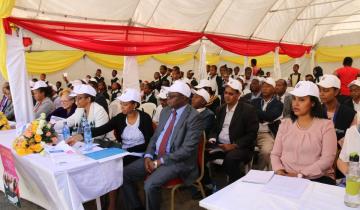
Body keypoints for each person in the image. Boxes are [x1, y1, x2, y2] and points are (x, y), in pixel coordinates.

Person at [122, 80, 203, 210]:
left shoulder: (194, 117)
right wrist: (148, 155)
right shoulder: (166, 111)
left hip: (177, 161)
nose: (168, 98)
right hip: (155, 156)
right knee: (124, 174)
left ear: (184, 98)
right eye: (168, 95)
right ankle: (136, 207)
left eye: (172, 96)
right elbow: (155, 137)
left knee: (149, 185)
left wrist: (160, 162)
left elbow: (187, 150)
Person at [271, 81, 337, 185]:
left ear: (313, 103)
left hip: (316, 179)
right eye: (294, 99)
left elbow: (327, 159)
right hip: (285, 176)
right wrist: (279, 170)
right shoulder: (285, 123)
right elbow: (275, 154)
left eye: (302, 100)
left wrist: (300, 175)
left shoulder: (326, 126)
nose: (295, 104)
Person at [207, 78, 259, 183]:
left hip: (240, 147)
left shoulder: (248, 110)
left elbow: (252, 134)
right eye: (225, 93)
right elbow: (215, 128)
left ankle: (237, 184)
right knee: (200, 154)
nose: (226, 96)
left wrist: (234, 145)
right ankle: (207, 185)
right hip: (220, 146)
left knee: (230, 159)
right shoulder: (220, 109)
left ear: (238, 95)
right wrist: (212, 138)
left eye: (231, 94)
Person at [251, 78, 283, 170]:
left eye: (267, 86)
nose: (264, 88)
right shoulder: (255, 101)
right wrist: (263, 116)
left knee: (267, 151)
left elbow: (270, 116)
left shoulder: (278, 104)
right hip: (251, 132)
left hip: (265, 134)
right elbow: (249, 115)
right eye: (263, 86)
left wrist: (254, 111)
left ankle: (260, 172)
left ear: (273, 89)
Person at [318, 74, 357, 147]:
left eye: (325, 90)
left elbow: (352, 136)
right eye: (320, 90)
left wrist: (337, 148)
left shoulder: (350, 113)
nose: (321, 94)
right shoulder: (316, 112)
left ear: (336, 92)